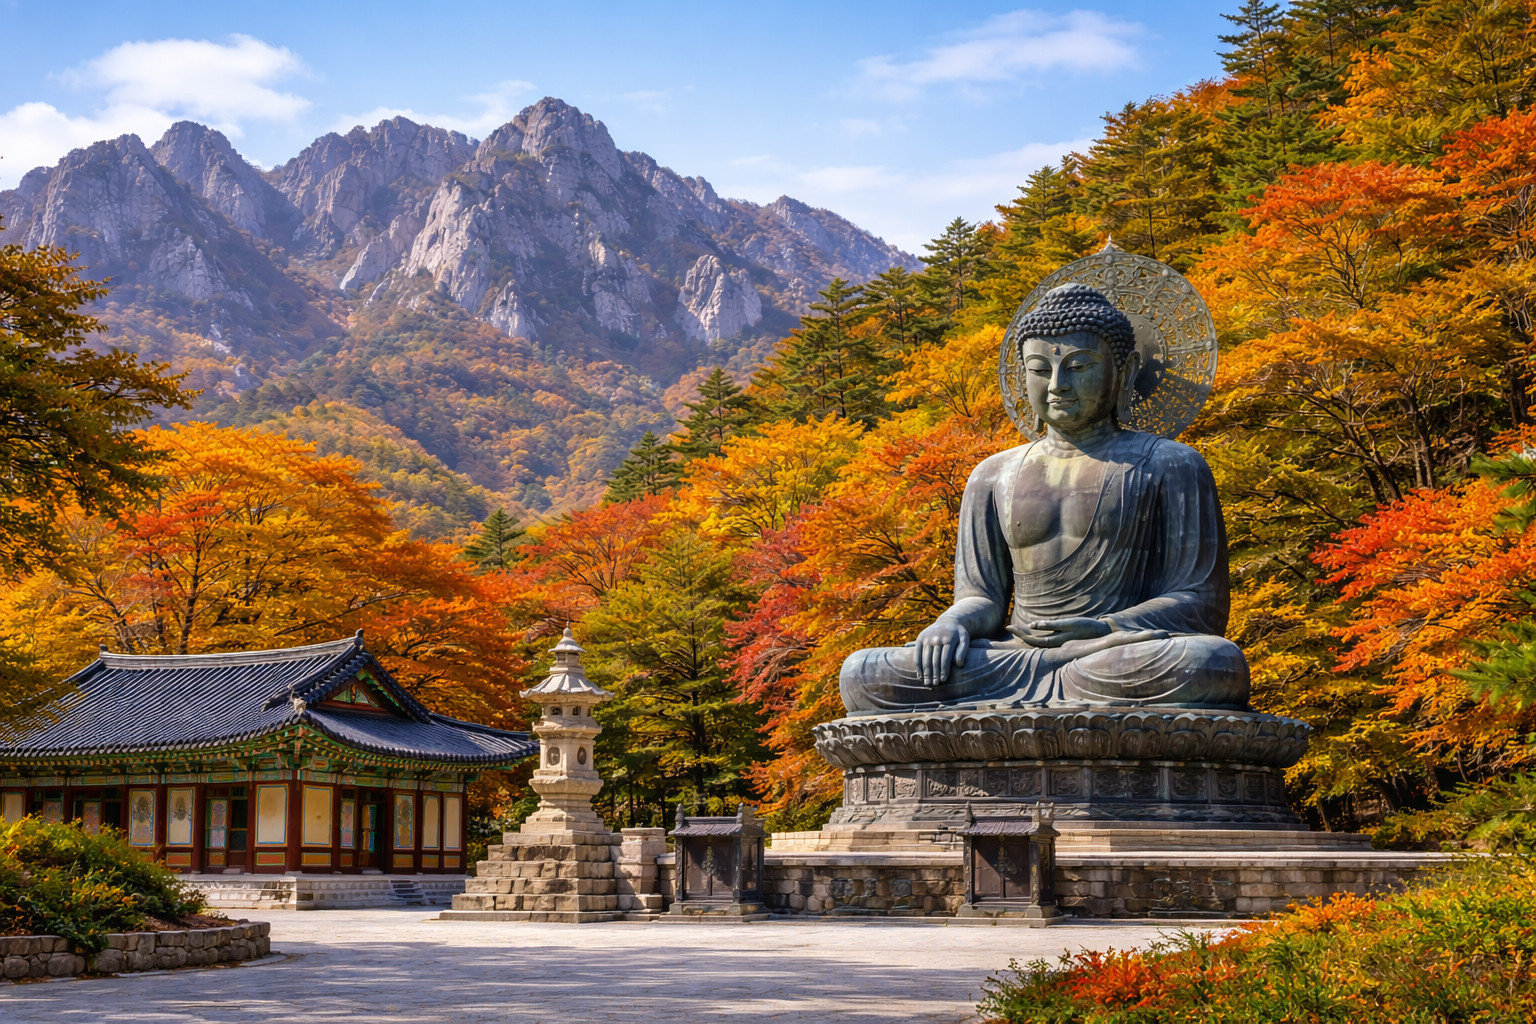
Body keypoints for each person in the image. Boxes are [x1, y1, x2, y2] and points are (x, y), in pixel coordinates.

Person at [838, 283, 1249, 715]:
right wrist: (952, 623)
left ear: (1124, 371)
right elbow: (982, 598)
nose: (1057, 385)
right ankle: (1046, 679)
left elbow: (1200, 602)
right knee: (863, 673)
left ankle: (1049, 683)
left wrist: (1102, 627)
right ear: (1022, 376)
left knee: (1211, 663)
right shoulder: (992, 475)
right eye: (1040, 369)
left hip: (1112, 654)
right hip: (1011, 657)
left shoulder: (1169, 464)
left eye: (1079, 366)